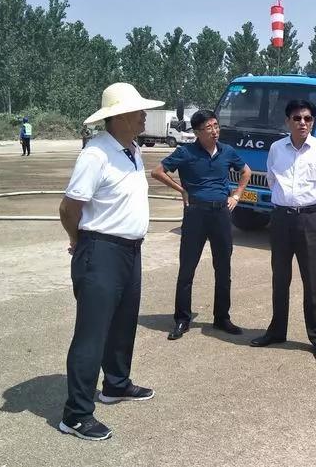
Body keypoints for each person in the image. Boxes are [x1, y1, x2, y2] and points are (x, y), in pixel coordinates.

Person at [57, 82, 163, 441]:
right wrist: (78, 240)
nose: (144, 115)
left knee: (123, 322)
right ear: (118, 117)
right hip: (100, 251)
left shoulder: (132, 150)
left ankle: (116, 384)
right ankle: (76, 415)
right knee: (92, 333)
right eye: (138, 110)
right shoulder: (96, 154)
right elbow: (69, 208)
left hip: (130, 251)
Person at [151, 110, 252, 341]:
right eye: (209, 128)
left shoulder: (227, 151)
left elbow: (246, 171)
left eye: (216, 126)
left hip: (221, 213)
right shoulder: (185, 152)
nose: (215, 131)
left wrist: (237, 195)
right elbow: (157, 171)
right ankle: (182, 319)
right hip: (195, 214)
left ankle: (222, 317)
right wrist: (182, 190)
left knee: (223, 268)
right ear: (197, 132)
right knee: (187, 268)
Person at [250, 99, 316, 360]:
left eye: (307, 118)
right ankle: (277, 331)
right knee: (280, 278)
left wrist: (304, 205)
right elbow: (272, 179)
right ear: (287, 121)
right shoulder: (277, 149)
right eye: (297, 118)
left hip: (310, 219)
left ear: (313, 122)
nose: (302, 123)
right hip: (281, 220)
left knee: (314, 281)